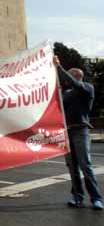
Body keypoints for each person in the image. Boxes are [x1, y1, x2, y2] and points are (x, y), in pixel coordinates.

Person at [54, 55, 103, 210]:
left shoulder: (87, 87)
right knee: (72, 166)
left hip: (80, 130)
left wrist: (58, 67)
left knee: (85, 165)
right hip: (66, 132)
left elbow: (76, 84)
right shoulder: (66, 92)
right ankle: (78, 197)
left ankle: (96, 198)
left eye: (68, 75)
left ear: (75, 76)